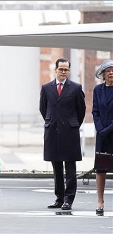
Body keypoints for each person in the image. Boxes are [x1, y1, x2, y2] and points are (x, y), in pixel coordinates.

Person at [39, 58, 86, 211]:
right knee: (56, 167)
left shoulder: (76, 88)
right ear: (56, 70)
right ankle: (59, 198)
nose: (64, 72)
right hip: (52, 131)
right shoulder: (46, 88)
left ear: (69, 71)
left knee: (70, 167)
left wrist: (72, 124)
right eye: (61, 69)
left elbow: (81, 110)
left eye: (66, 69)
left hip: (70, 132)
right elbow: (43, 108)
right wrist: (53, 122)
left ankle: (69, 199)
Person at [92, 59, 113, 215]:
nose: (111, 73)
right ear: (103, 74)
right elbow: (95, 111)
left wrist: (108, 129)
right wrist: (100, 129)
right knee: (101, 169)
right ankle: (100, 201)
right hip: (102, 135)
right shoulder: (97, 90)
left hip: (111, 133)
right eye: (108, 71)